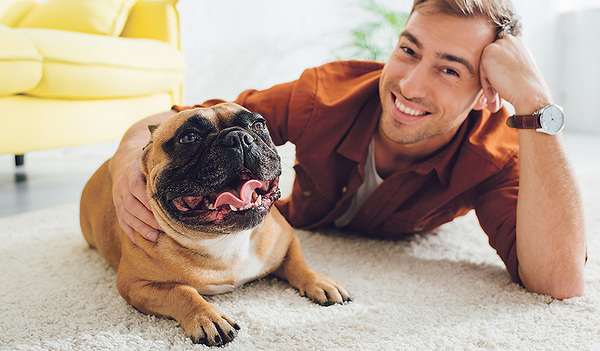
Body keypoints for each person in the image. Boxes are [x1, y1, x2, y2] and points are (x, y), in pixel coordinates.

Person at [108, 0, 586, 299]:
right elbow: (181, 120)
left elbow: (559, 283)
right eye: (408, 50)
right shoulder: (324, 94)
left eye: (450, 69)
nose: (409, 85)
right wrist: (127, 162)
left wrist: (536, 103)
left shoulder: (496, 152)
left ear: (486, 94)